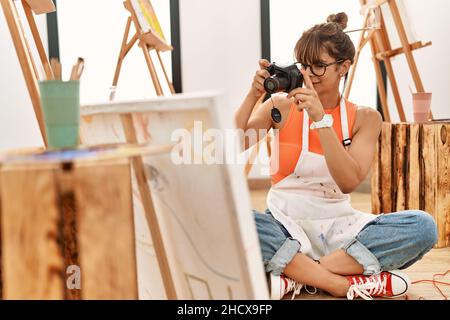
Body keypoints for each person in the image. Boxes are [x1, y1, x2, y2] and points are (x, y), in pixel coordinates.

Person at [235, 12, 438, 300]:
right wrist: (252, 95)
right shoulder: (281, 105)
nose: (308, 75)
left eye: (319, 67)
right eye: (304, 65)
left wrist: (321, 120)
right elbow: (233, 143)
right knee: (237, 219)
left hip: (340, 227)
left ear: (344, 67)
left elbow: (348, 182)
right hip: (284, 222)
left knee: (424, 227)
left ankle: (299, 274)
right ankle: (338, 283)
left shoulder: (365, 118)